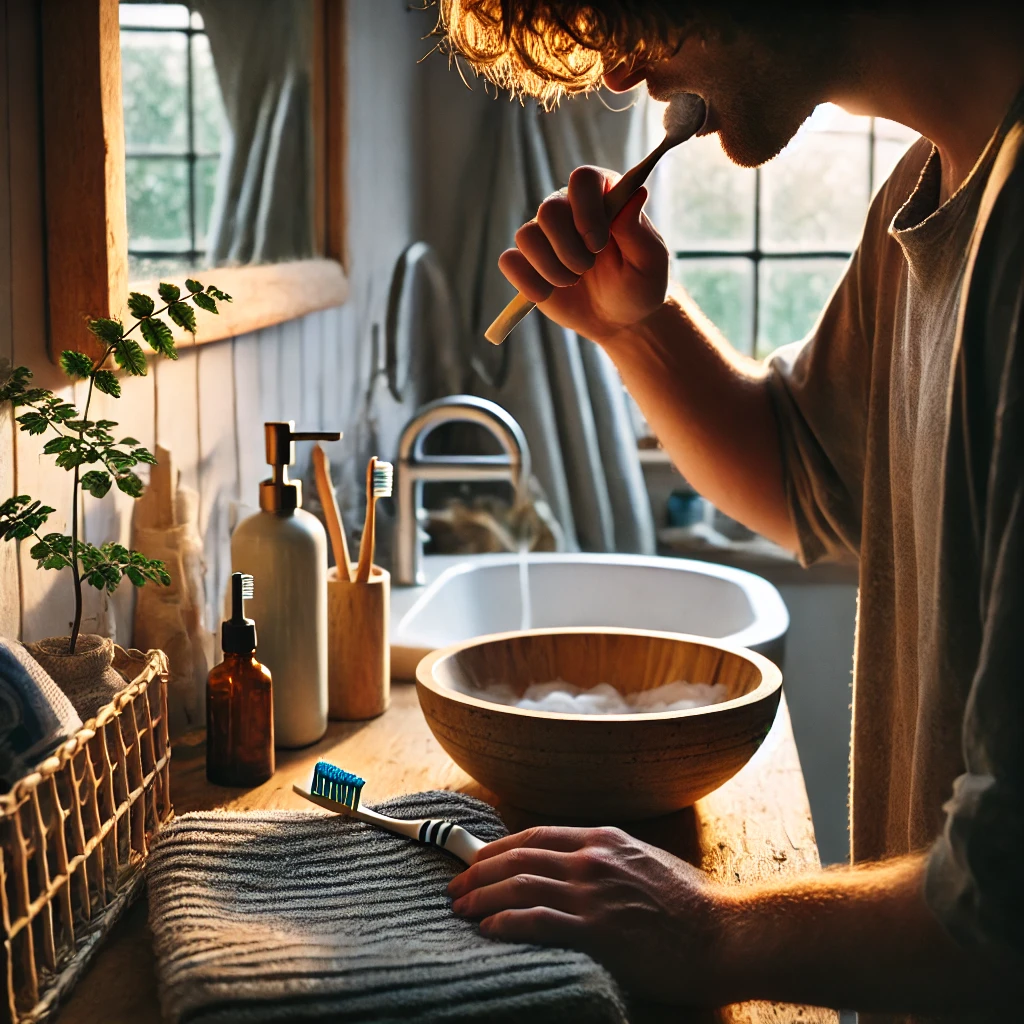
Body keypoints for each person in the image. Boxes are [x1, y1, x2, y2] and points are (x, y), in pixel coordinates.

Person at [437, 1, 1024, 1019]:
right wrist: (635, 328)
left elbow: (1006, 906)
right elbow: (805, 478)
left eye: (622, 9)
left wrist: (711, 926)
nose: (618, 74)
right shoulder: (930, 188)